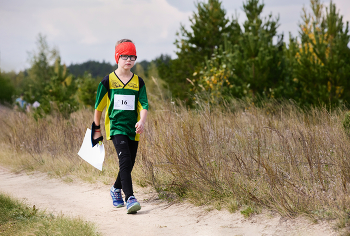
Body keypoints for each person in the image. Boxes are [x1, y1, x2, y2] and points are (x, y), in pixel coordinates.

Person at [92, 39, 148, 214]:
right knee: (124, 160)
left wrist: (142, 121)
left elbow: (144, 105)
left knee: (129, 163)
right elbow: (98, 107)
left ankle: (115, 189)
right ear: (117, 57)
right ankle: (130, 198)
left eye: (132, 57)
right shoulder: (108, 81)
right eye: (125, 56)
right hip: (116, 127)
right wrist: (96, 129)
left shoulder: (139, 82)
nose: (129, 60)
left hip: (133, 129)